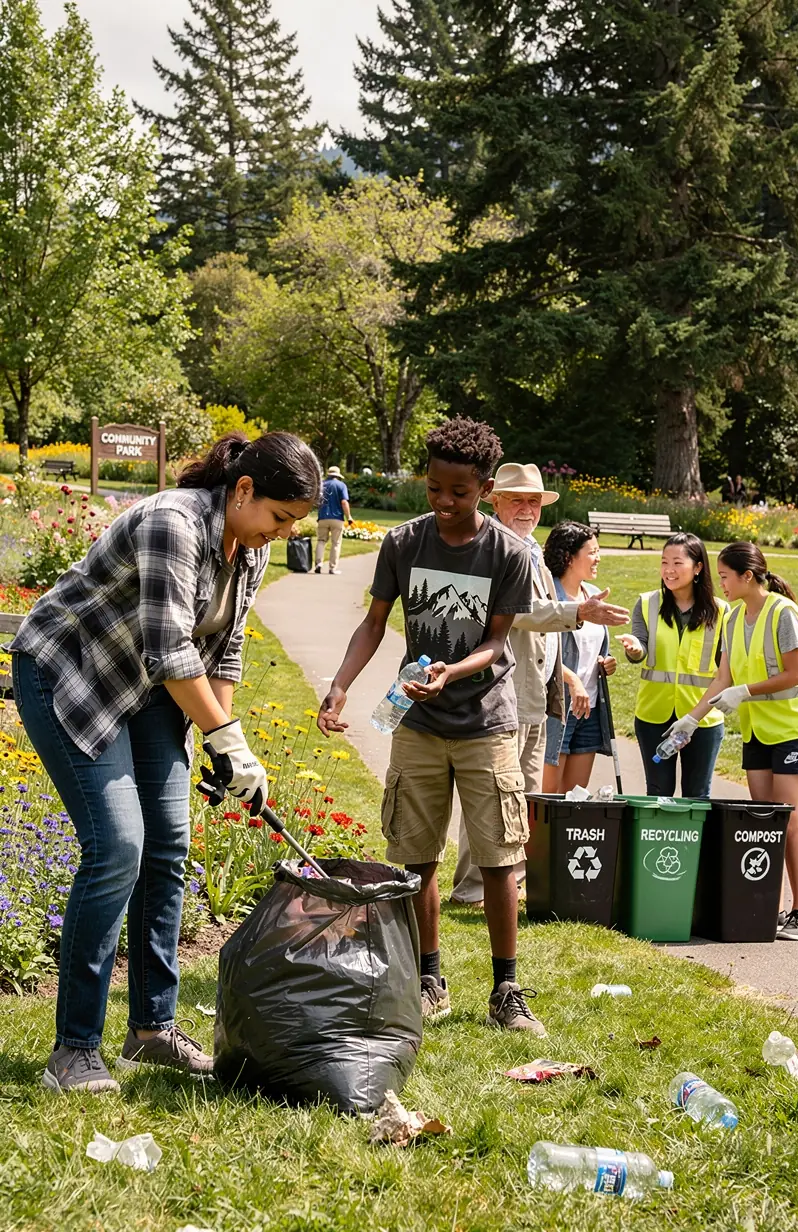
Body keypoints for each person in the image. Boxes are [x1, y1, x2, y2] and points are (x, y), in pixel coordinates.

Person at [10, 431, 322, 1092]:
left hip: (149, 688)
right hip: (70, 671)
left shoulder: (250, 545)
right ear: (243, 490)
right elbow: (172, 650)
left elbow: (225, 649)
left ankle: (151, 1032)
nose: (283, 532)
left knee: (168, 844)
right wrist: (227, 737)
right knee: (117, 846)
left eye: (293, 522)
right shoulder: (172, 523)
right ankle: (74, 1050)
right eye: (279, 516)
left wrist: (224, 743)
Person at [318, 418, 547, 1034]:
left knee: (498, 858)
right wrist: (340, 684)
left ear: (485, 489)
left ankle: (506, 989)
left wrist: (452, 671)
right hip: (415, 720)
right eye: (434, 489)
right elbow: (374, 623)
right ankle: (428, 979)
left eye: (459, 492)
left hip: (486, 722)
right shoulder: (403, 543)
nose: (445, 502)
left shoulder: (507, 553)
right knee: (414, 859)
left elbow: (496, 643)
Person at [451, 463, 629, 905]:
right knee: (491, 792)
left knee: (524, 794)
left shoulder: (534, 552)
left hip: (534, 695)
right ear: (495, 500)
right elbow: (518, 611)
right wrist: (577, 613)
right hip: (498, 692)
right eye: (517, 500)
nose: (527, 509)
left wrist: (561, 682)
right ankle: (472, 886)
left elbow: (545, 632)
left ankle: (511, 879)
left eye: (534, 501)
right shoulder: (490, 546)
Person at [671, 542, 798, 941]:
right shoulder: (732, 617)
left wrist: (745, 691)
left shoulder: (784, 614)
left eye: (724, 577)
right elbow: (723, 678)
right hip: (757, 731)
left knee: (788, 820)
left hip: (793, 729)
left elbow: (794, 674)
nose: (720, 584)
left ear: (747, 576)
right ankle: (772, 906)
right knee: (764, 822)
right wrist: (691, 719)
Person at [618, 533, 728, 797]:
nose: (669, 570)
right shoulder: (647, 603)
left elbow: (726, 670)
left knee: (697, 795)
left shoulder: (722, 611)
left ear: (698, 567)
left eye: (677, 563)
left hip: (703, 718)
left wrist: (695, 716)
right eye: (664, 562)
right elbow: (640, 649)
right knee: (658, 793)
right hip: (654, 715)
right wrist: (635, 649)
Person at [544, 522, 617, 792]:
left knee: (575, 799)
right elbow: (540, 651)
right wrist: (573, 681)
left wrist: (606, 662)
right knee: (546, 798)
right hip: (557, 709)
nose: (598, 558)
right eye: (592, 552)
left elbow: (594, 648)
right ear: (569, 557)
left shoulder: (593, 594)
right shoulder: (549, 596)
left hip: (590, 710)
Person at [315, 464, 352, 575]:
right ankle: (332, 568)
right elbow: (344, 502)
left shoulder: (322, 485)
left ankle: (318, 564)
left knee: (321, 541)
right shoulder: (341, 485)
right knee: (336, 543)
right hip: (337, 518)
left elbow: (316, 500)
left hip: (323, 517)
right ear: (338, 475)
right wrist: (349, 517)